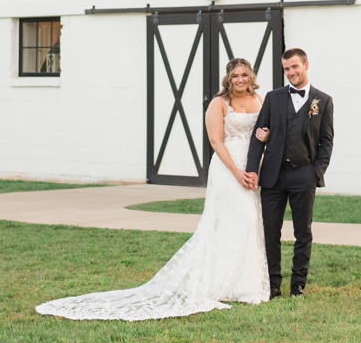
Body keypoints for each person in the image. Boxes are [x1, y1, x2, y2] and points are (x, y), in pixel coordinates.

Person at [36, 57, 270, 320]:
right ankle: (219, 282)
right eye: (235, 75)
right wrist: (237, 172)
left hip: (252, 169)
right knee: (230, 221)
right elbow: (216, 142)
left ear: (251, 76)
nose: (240, 80)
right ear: (228, 78)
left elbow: (264, 132)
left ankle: (244, 285)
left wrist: (260, 151)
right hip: (228, 170)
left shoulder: (260, 101)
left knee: (249, 223)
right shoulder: (219, 104)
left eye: (244, 75)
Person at [245, 47, 333, 298]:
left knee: (302, 231)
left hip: (304, 175)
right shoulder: (274, 98)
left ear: (306, 65)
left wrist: (315, 173)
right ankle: (273, 284)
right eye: (286, 69)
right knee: (271, 231)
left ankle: (298, 284)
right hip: (273, 175)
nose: (291, 72)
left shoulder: (323, 101)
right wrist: (253, 170)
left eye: (295, 66)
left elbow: (326, 141)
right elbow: (258, 136)